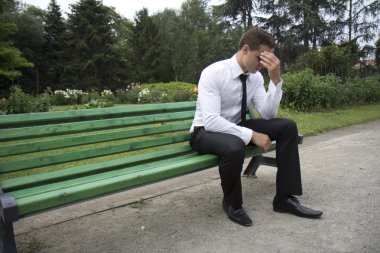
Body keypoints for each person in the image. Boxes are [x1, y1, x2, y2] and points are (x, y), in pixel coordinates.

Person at [189, 27, 322, 226]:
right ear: (245, 49)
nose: (262, 64)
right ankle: (233, 205)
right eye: (260, 58)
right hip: (205, 131)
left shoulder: (256, 77)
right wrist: (251, 134)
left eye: (268, 59)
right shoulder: (214, 73)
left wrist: (275, 80)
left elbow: (267, 113)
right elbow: (211, 120)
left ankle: (284, 199)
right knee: (234, 145)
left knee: (287, 127)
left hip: (235, 125)